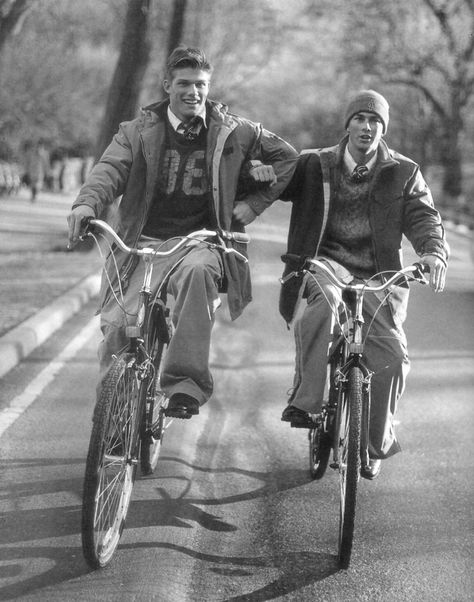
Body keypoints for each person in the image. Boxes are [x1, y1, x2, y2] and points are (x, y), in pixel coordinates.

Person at [68, 46, 297, 419]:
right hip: (140, 246)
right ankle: (111, 423)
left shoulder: (235, 132)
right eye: (185, 84)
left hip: (199, 243)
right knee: (117, 329)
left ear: (209, 87)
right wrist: (86, 204)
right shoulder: (137, 132)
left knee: (198, 271)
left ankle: (184, 386)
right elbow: (108, 171)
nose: (194, 92)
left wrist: (255, 203)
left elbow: (288, 158)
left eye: (201, 84)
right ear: (167, 86)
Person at [278, 90, 448, 479]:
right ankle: (306, 403)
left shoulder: (404, 171)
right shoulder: (316, 163)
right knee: (322, 301)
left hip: (379, 277)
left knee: (393, 357)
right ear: (348, 124)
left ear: (383, 129)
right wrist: (254, 180)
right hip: (327, 263)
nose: (367, 127)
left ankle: (373, 444)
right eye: (360, 119)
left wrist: (433, 252)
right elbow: (275, 181)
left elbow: (425, 217)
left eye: (375, 121)